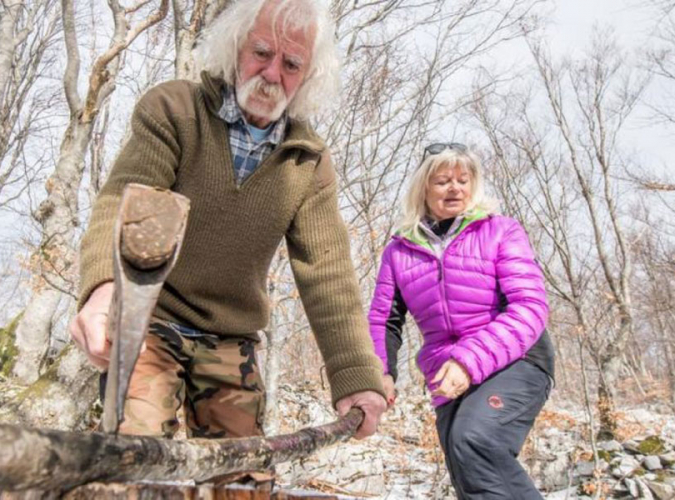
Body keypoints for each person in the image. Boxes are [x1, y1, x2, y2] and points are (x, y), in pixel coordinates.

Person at [69, 0, 386, 447]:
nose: (272, 74)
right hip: (150, 318)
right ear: (235, 46)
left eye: (291, 63)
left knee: (238, 478)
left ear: (307, 76)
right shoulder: (175, 110)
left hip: (230, 337)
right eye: (261, 52)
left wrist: (356, 374)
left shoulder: (308, 160)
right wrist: (104, 293)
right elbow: (124, 204)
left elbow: (328, 273)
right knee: (135, 455)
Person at [368, 143, 555, 499]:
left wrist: (468, 362)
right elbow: (384, 320)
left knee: (475, 438)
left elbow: (529, 306)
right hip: (445, 374)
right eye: (442, 181)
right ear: (423, 188)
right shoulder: (399, 250)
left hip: (517, 361)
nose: (454, 188)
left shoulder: (500, 231)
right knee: (465, 466)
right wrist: (381, 374)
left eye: (462, 180)